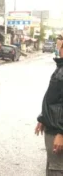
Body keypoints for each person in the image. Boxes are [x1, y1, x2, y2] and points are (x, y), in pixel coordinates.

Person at [35, 41, 63, 176]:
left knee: (57, 169)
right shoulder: (61, 67)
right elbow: (54, 98)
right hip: (53, 127)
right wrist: (43, 118)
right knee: (53, 167)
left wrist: (61, 132)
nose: (60, 46)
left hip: (58, 130)